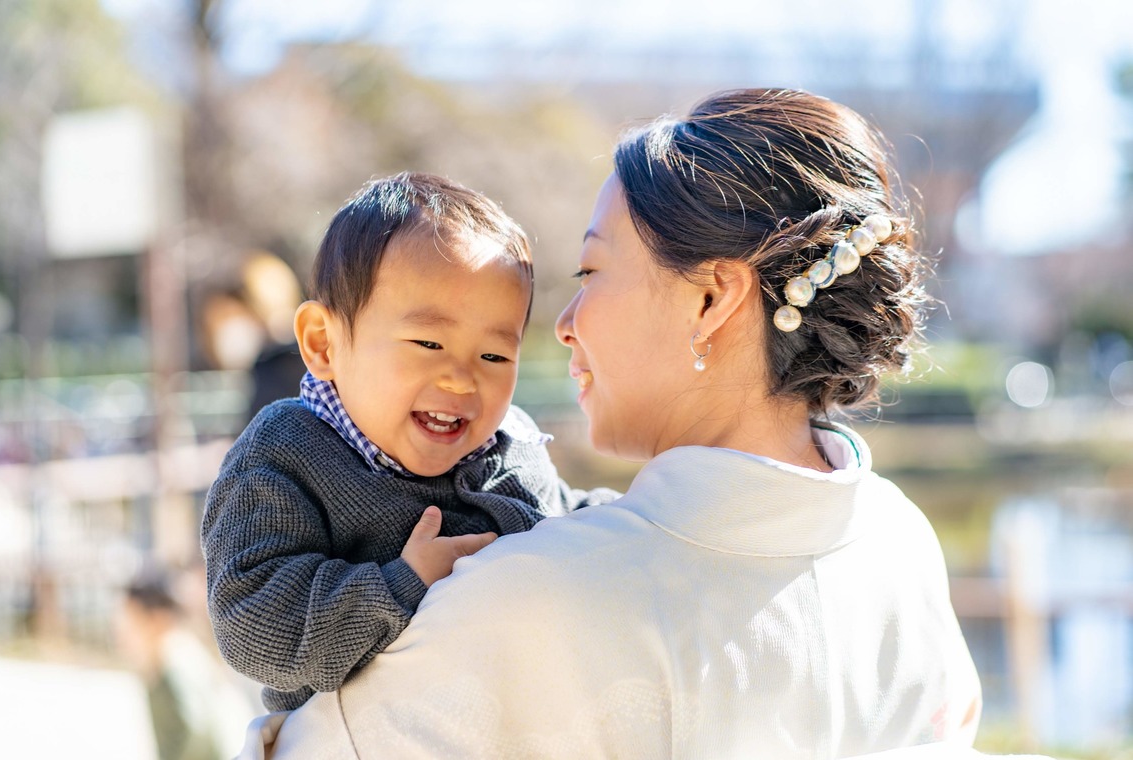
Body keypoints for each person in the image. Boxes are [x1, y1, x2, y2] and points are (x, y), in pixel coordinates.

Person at [238, 88, 983, 759]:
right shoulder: (900, 539)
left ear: (711, 299)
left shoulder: (526, 598)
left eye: (590, 274)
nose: (563, 325)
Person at [201, 172, 616, 713]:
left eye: (494, 356)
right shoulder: (288, 452)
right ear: (323, 343)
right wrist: (401, 584)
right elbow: (251, 621)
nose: (462, 380)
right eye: (428, 342)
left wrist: (642, 519)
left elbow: (568, 520)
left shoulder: (510, 445)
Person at [115, 573, 257, 760]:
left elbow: (195, 729)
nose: (123, 632)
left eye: (131, 621)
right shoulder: (168, 656)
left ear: (158, 618)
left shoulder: (176, 660)